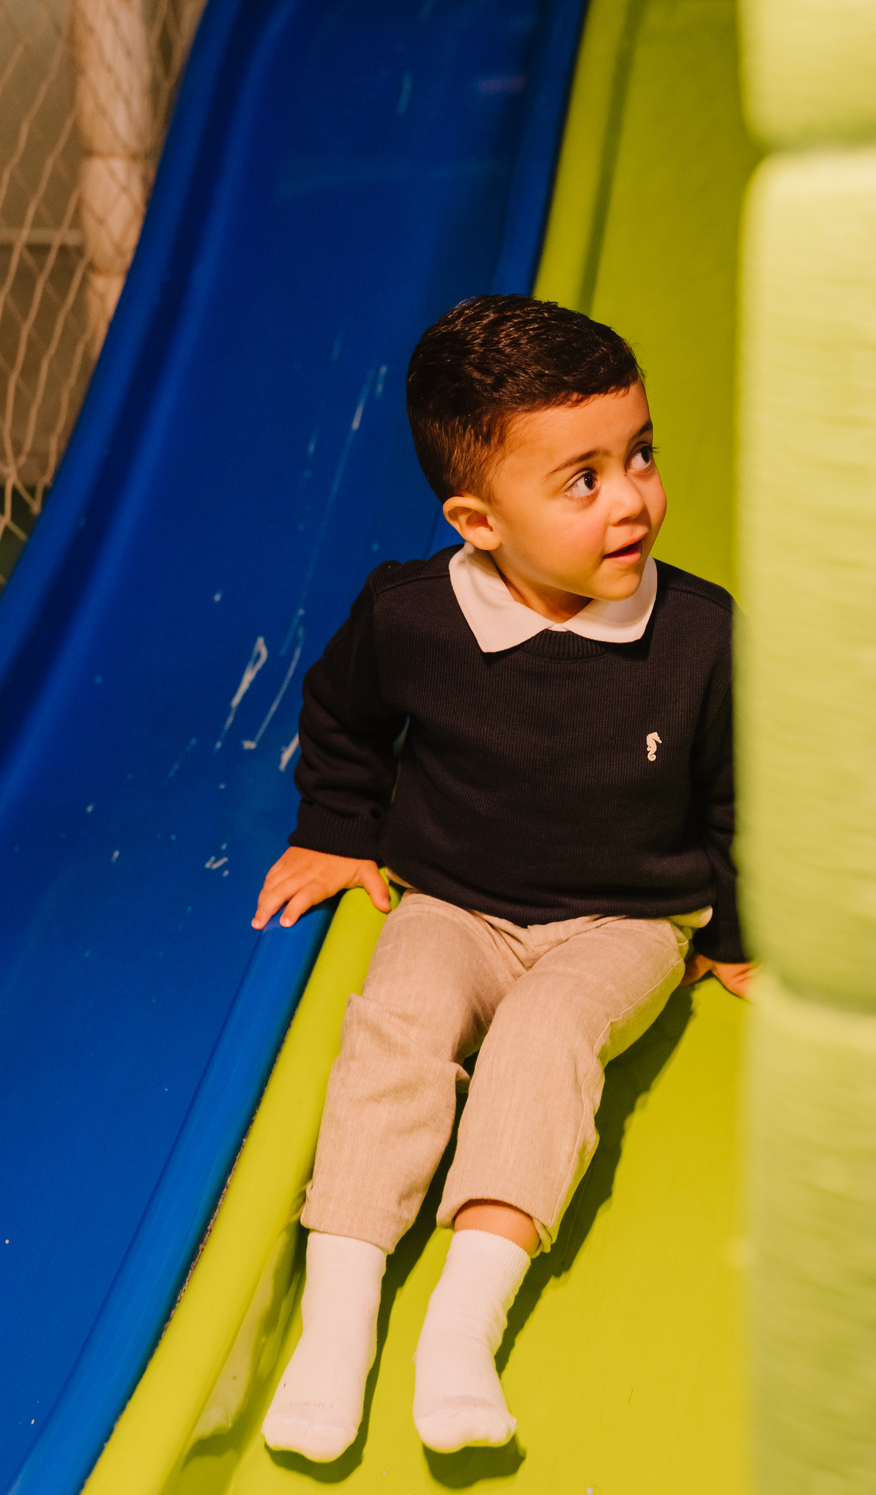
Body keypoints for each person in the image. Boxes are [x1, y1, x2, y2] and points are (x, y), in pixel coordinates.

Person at [254, 294, 749, 1463]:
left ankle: (459, 1325)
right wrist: (337, 820)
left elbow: (742, 792)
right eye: (581, 480)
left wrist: (737, 928)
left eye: (639, 454)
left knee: (544, 1034)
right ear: (478, 521)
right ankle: (340, 1317)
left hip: (623, 919)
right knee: (401, 1021)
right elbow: (343, 716)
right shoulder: (412, 613)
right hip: (452, 898)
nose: (629, 497)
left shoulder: (701, 635)